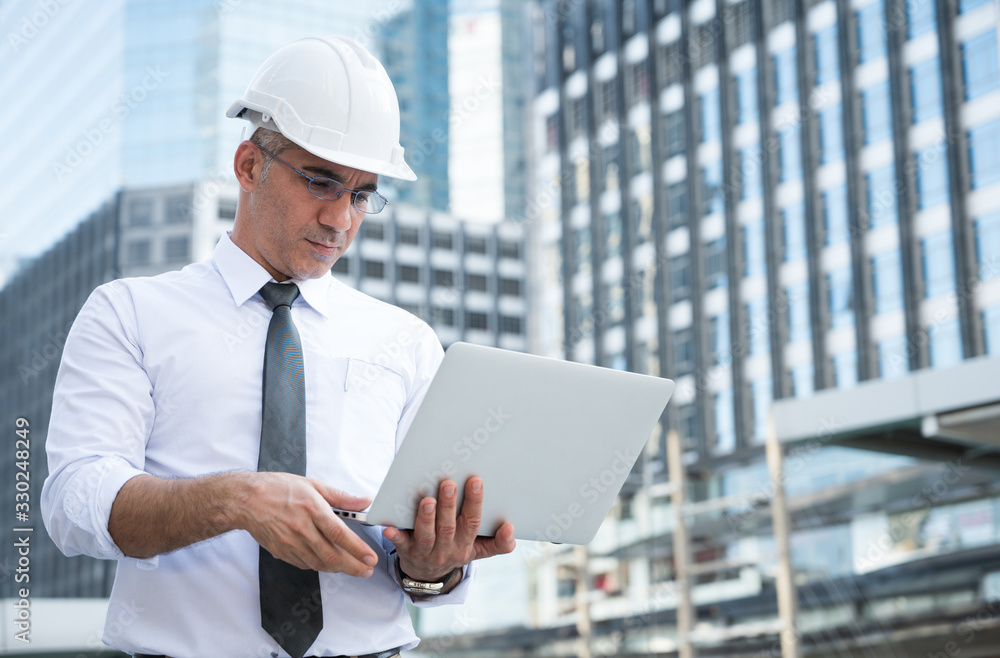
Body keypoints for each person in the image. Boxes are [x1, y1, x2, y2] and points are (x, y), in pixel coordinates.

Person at [40, 35, 516, 658]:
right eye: (322, 182)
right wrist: (238, 500)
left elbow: (422, 573)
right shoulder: (129, 314)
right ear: (248, 167)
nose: (341, 219)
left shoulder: (405, 341)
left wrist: (433, 563)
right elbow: (75, 503)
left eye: (362, 194)